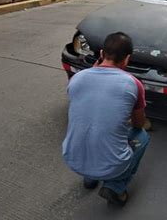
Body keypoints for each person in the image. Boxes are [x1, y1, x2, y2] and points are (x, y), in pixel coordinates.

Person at [62, 32, 150, 207]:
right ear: (127, 59)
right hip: (112, 165)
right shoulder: (132, 84)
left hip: (72, 158)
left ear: (101, 53)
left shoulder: (77, 78)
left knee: (90, 123)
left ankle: (90, 177)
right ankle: (115, 187)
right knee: (142, 136)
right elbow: (139, 123)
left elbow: (89, 108)